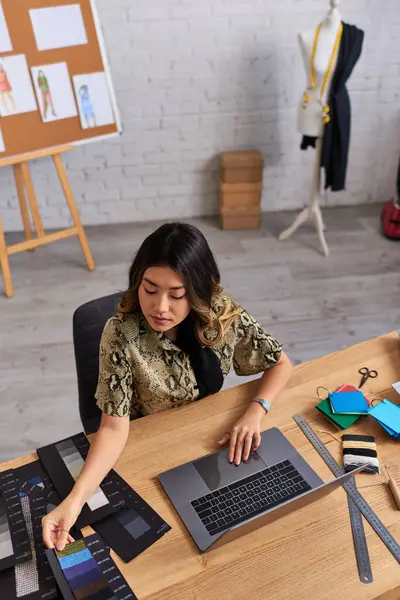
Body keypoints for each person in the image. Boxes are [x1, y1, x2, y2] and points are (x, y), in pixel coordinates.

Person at [42, 223, 292, 551]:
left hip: (207, 438)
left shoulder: (219, 311)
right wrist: (74, 502)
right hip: (151, 445)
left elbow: (280, 363)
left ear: (199, 291)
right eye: (149, 289)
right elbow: (113, 429)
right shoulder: (121, 333)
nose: (160, 307)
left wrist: (256, 412)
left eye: (177, 295)